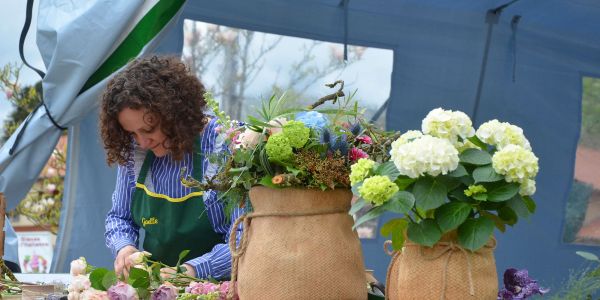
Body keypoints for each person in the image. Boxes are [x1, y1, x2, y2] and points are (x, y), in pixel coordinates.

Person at [100, 55, 243, 279]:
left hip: (217, 288)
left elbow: (244, 239)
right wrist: (125, 248)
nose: (142, 142)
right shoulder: (136, 153)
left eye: (149, 130)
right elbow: (120, 217)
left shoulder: (224, 144)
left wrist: (190, 272)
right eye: (132, 133)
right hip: (159, 289)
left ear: (174, 113)